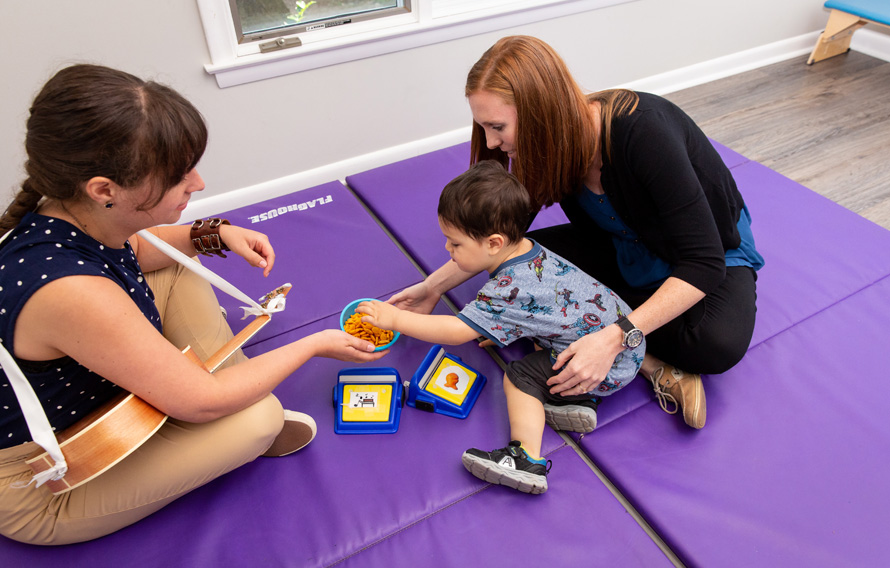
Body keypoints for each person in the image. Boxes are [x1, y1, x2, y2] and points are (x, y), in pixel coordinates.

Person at [0, 64, 386, 546]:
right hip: (46, 482)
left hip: (88, 377)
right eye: (179, 176)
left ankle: (224, 391)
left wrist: (212, 234)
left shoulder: (66, 213)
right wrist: (315, 344)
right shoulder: (69, 291)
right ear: (104, 190)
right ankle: (236, 406)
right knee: (258, 419)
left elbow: (137, 250)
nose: (198, 183)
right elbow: (200, 404)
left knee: (180, 262)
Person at [390, 36, 764, 430]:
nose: (490, 142)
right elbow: (498, 234)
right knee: (508, 266)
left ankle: (614, 342)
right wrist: (433, 287)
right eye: (483, 126)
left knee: (716, 345)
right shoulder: (549, 146)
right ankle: (647, 360)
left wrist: (612, 339)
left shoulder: (643, 131)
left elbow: (703, 262)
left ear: (541, 113)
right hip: (622, 244)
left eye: (497, 126)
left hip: (705, 255)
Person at [358, 161, 644, 494]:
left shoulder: (507, 289)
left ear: (494, 243)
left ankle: (525, 459)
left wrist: (394, 319)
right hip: (626, 339)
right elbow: (545, 312)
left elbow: (457, 331)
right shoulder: (529, 251)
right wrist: (496, 325)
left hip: (608, 362)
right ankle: (576, 402)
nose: (447, 250)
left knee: (519, 376)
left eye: (455, 244)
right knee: (535, 344)